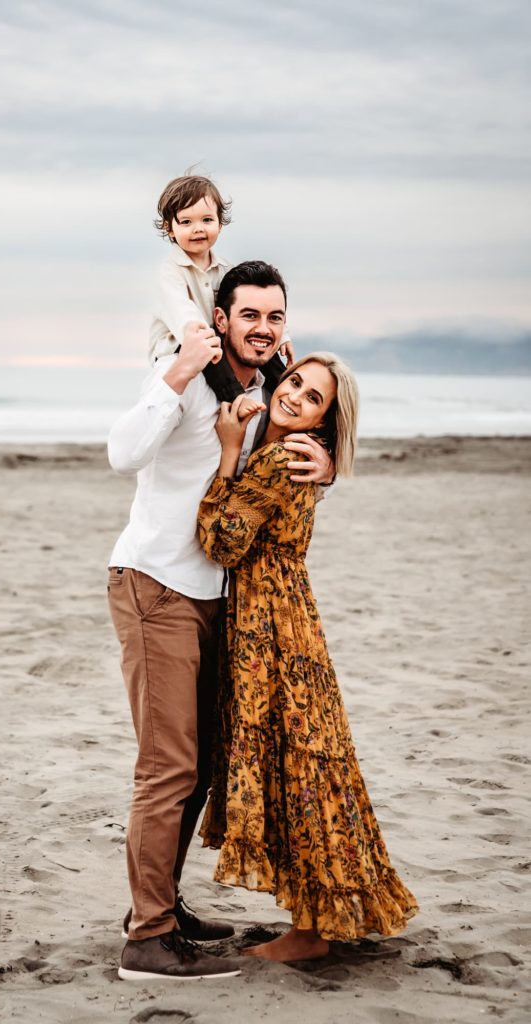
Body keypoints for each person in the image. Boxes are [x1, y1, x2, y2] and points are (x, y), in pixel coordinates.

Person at [107, 262, 335, 981]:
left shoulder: (265, 389)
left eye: (274, 317)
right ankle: (146, 938)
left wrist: (325, 465)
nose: (262, 329)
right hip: (155, 583)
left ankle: (163, 909)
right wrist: (176, 372)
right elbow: (121, 453)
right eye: (248, 316)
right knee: (167, 769)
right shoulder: (181, 378)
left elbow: (315, 412)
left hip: (215, 596)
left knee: (201, 765)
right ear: (221, 318)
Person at [197, 354, 419, 962]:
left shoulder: (276, 458)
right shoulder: (297, 455)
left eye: (313, 397)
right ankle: (317, 918)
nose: (294, 396)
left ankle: (309, 934)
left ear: (324, 421)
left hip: (271, 628)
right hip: (293, 621)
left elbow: (219, 542)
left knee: (295, 766)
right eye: (293, 382)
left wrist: (225, 451)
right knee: (305, 763)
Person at [149, 173, 294, 399]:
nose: (198, 229)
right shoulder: (170, 272)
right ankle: (235, 399)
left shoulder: (224, 268)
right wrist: (201, 335)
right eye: (186, 222)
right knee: (209, 349)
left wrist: (282, 335)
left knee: (266, 353)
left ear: (220, 224)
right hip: (179, 345)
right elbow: (181, 311)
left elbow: (253, 302)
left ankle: (287, 393)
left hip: (214, 338)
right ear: (170, 228)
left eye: (207, 220)